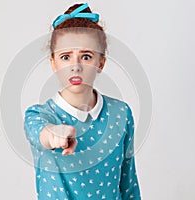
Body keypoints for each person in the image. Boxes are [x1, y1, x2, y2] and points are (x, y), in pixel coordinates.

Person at [24, 3, 141, 200]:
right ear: (53, 63)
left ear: (100, 63)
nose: (75, 67)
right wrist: (54, 135)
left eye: (86, 56)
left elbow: (128, 183)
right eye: (65, 57)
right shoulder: (39, 116)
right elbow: (40, 134)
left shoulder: (121, 113)